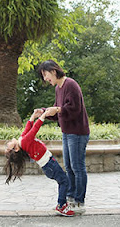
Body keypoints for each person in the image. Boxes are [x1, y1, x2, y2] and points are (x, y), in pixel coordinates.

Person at [38, 60, 90, 214]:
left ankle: (79, 201)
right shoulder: (58, 89)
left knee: (77, 167)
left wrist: (57, 110)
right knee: (68, 166)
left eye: (45, 75)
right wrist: (44, 112)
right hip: (67, 132)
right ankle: (71, 198)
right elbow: (58, 114)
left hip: (78, 132)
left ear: (53, 71)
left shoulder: (71, 84)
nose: (46, 79)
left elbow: (74, 109)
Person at [4, 107, 75, 217]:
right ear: (16, 149)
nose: (7, 144)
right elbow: (34, 129)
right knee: (64, 181)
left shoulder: (21, 140)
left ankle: (61, 203)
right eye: (8, 147)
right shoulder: (24, 142)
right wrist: (43, 116)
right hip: (49, 164)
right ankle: (61, 206)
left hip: (49, 164)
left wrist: (33, 115)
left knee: (63, 181)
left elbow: (28, 128)